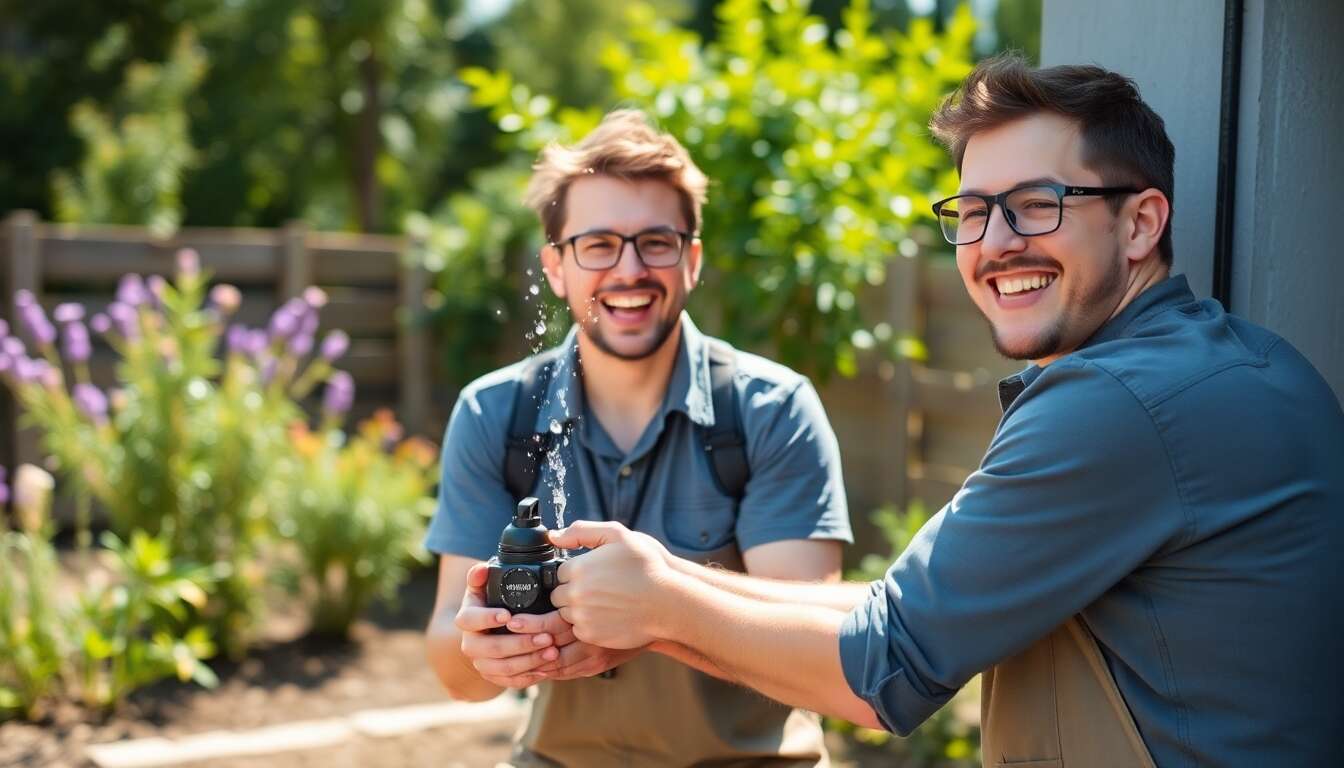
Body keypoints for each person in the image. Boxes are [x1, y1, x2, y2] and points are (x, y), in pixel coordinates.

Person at [544, 55, 1344, 767]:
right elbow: (893, 609)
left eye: (1036, 204)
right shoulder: (1239, 361)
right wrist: (661, 579)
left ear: (1139, 223)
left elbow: (881, 670)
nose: (995, 243)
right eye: (972, 212)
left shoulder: (1117, 402)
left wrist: (658, 605)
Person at [423, 110, 853, 767]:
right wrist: (485, 652)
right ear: (556, 266)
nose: (629, 269)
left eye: (656, 242)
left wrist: (650, 615)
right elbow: (455, 673)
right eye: (598, 244)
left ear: (692, 260)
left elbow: (817, 651)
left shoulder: (771, 410)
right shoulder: (493, 414)